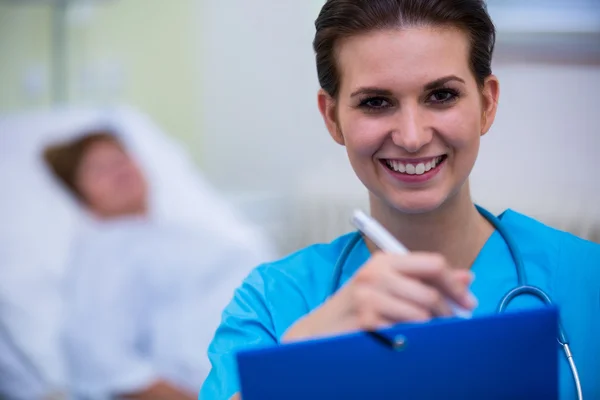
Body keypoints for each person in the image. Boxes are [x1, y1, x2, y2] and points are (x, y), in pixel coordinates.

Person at [198, 1, 600, 399]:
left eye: (441, 95)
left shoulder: (587, 280)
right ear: (332, 117)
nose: (411, 137)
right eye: (376, 102)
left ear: (487, 103)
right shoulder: (270, 304)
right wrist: (305, 358)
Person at [42, 131, 275, 399]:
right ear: (80, 194)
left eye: (121, 160)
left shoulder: (181, 233)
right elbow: (106, 362)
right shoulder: (103, 250)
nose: (119, 172)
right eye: (99, 170)